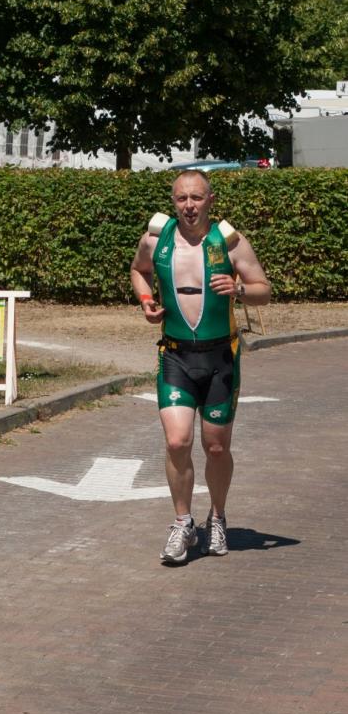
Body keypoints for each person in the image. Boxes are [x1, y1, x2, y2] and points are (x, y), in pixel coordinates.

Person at [130, 170, 271, 564]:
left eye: (196, 198)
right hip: (176, 355)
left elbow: (263, 290)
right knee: (177, 442)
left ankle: (218, 517)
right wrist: (146, 301)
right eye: (181, 199)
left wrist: (239, 289)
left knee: (216, 447)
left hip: (220, 358)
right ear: (173, 202)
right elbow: (138, 270)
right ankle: (183, 524)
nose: (189, 206)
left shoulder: (229, 242)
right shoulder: (156, 239)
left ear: (210, 200)